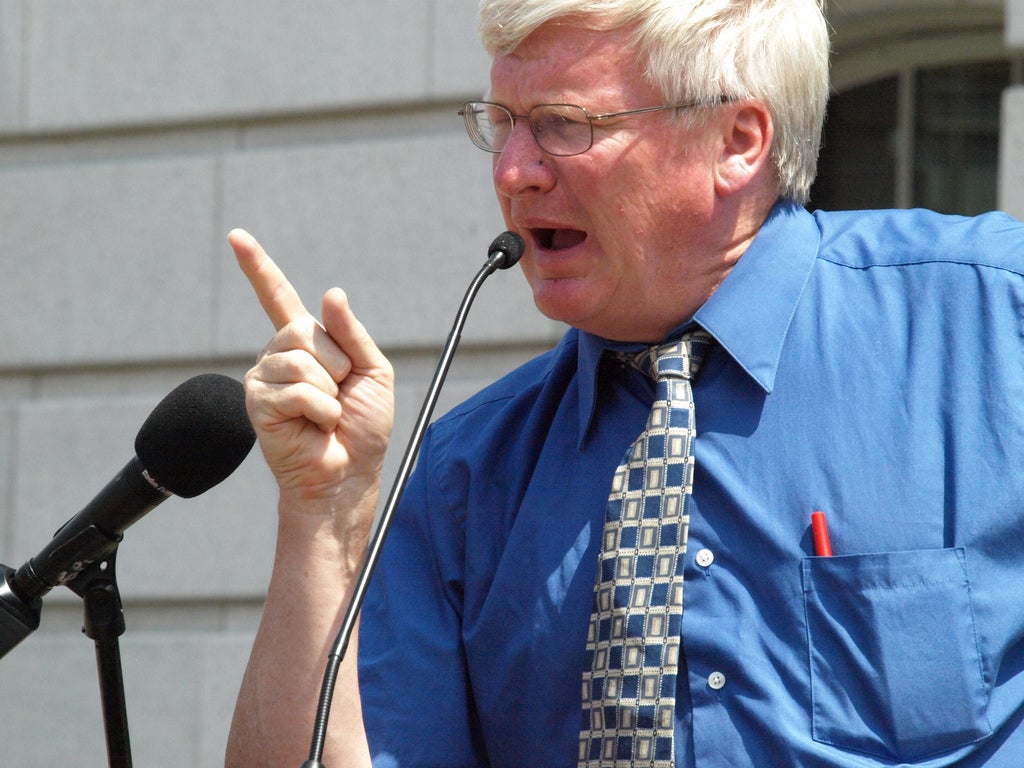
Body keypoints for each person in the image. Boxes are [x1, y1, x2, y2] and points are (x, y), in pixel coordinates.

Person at [225, 0, 1024, 766]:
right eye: (501, 124)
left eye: (563, 124)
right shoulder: (461, 475)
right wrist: (321, 518)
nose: (513, 173)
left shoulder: (991, 324)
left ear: (737, 142)